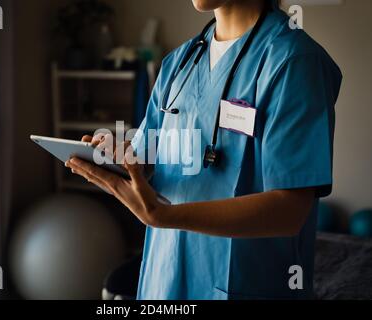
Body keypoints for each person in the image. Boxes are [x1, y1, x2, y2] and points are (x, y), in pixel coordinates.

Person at [66, 0, 342, 300]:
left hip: (246, 283)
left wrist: (162, 215)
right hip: (165, 279)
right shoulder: (180, 63)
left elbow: (289, 211)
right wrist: (120, 161)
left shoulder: (294, 61)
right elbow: (149, 154)